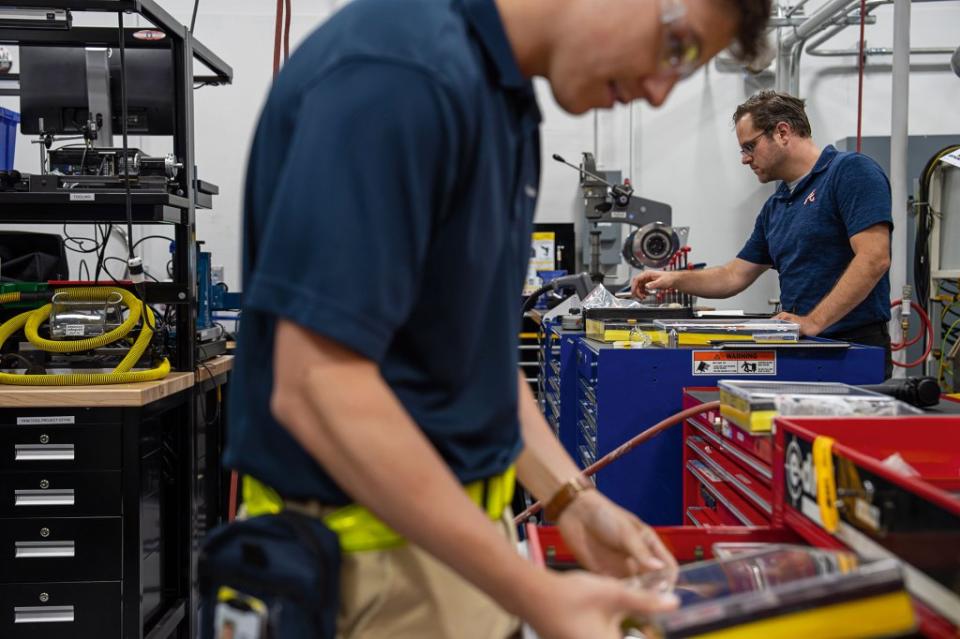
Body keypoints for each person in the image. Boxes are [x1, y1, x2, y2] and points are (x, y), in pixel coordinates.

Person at [225, 0, 770, 637]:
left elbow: (473, 357)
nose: (656, 92)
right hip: (361, 574)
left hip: (447, 554)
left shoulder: (498, 101)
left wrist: (572, 500)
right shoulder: (401, 73)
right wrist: (533, 593)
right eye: (676, 48)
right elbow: (318, 387)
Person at [631, 91, 894, 377]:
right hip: (804, 349)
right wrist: (672, 279)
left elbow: (874, 258)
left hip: (852, 351)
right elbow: (733, 275)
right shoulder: (777, 204)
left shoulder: (850, 172)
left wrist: (813, 321)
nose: (745, 159)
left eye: (750, 146)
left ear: (782, 132)